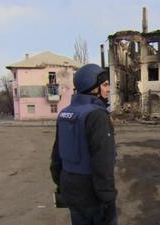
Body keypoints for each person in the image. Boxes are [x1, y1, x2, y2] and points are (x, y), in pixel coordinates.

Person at [50, 63, 117, 225]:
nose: (108, 89)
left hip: (70, 188)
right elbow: (103, 162)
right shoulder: (97, 115)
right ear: (93, 88)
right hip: (92, 192)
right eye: (105, 85)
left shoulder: (65, 113)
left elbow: (56, 156)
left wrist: (61, 183)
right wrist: (107, 198)